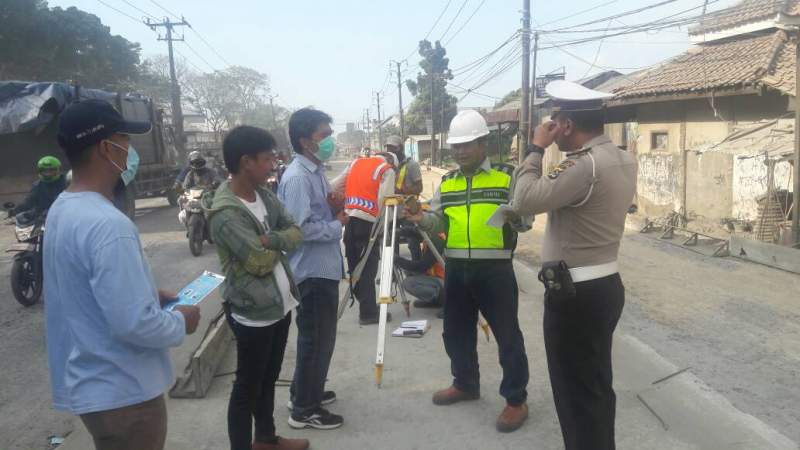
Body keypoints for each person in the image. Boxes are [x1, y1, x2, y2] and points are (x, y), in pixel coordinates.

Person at [43, 99, 201, 450]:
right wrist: (181, 320)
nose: (130, 149)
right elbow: (136, 325)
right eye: (125, 140)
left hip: (95, 387)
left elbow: (82, 291)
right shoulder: (108, 224)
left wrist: (144, 294)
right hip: (125, 393)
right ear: (106, 148)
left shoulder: (63, 208)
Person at [510, 80, 637, 450]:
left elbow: (524, 200)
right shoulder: (622, 158)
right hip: (604, 285)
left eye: (554, 120)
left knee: (575, 394)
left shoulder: (584, 165)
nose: (550, 128)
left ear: (565, 125)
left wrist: (536, 148)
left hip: (575, 294)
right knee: (595, 387)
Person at [405, 109, 531, 433]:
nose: (460, 151)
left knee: (507, 336)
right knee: (455, 331)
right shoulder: (448, 182)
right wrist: (421, 219)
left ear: (483, 143)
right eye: (456, 146)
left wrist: (517, 217)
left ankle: (516, 400)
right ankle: (465, 383)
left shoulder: (507, 176)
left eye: (467, 145)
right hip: (457, 267)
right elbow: (439, 220)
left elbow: (525, 221)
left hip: (495, 269)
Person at [204, 126, 308, 450]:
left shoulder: (263, 194)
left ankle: (266, 438)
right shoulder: (225, 213)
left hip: (280, 305)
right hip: (253, 314)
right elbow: (259, 263)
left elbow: (296, 230)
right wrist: (278, 244)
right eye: (267, 159)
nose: (272, 165)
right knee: (247, 388)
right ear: (246, 162)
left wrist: (270, 240)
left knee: (268, 378)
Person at [278, 108, 346, 430]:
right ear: (306, 141)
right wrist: (337, 224)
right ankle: (305, 409)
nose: (331, 140)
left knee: (319, 338)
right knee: (316, 340)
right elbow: (299, 230)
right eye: (325, 135)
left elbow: (315, 213)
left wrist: (332, 208)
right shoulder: (297, 178)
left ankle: (304, 392)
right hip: (311, 272)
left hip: (323, 268)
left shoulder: (315, 171)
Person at [331, 151, 397, 325]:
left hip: (349, 221)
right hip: (368, 224)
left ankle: (365, 303)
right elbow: (385, 202)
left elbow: (335, 185)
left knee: (355, 265)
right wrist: (385, 225)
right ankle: (368, 313)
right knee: (368, 269)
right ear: (391, 161)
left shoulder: (355, 163)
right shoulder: (386, 170)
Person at [394, 229, 445, 315]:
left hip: (446, 281)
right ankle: (434, 300)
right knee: (410, 272)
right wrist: (399, 231)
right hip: (438, 277)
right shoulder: (433, 232)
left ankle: (445, 300)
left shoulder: (439, 239)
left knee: (409, 283)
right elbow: (415, 232)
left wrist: (398, 260)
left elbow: (422, 266)